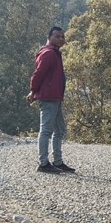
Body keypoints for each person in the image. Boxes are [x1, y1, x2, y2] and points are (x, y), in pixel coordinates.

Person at [27, 26, 74, 174]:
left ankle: (57, 162)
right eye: (57, 36)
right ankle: (43, 163)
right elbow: (38, 74)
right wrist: (33, 91)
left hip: (55, 97)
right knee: (46, 130)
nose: (61, 39)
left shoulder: (55, 53)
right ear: (49, 37)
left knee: (59, 130)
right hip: (47, 97)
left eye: (62, 37)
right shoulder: (49, 54)